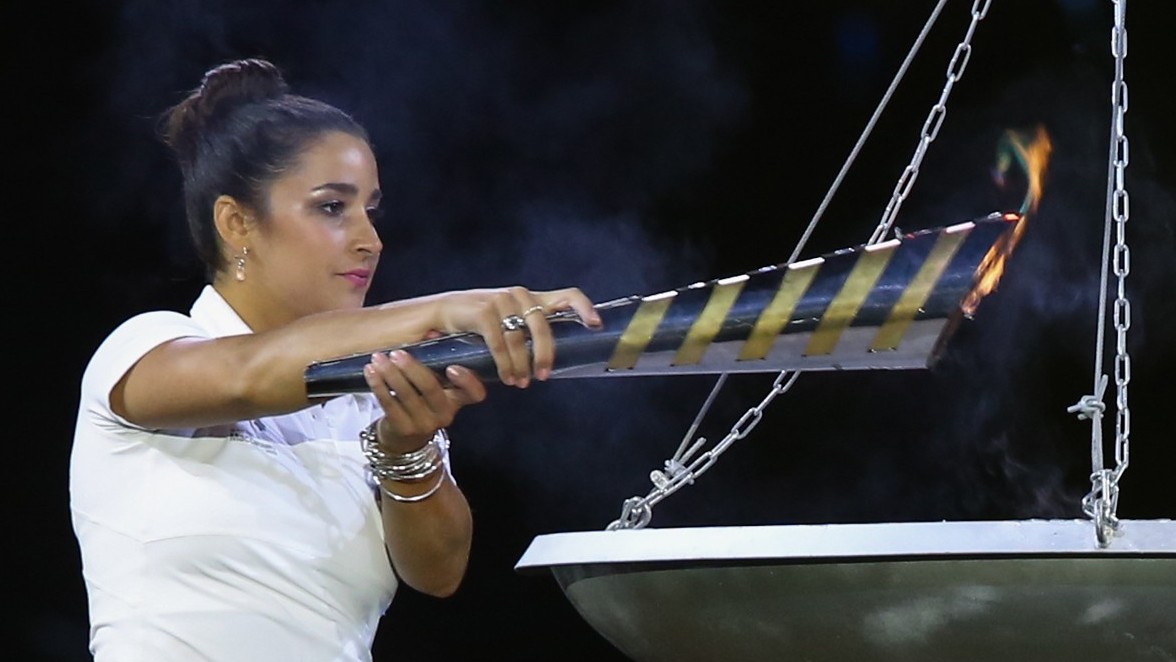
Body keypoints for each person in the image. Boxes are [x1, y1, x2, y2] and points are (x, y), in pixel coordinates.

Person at [68, 57, 602, 661]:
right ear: (237, 222)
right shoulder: (145, 348)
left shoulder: (371, 392)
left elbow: (439, 573)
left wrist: (407, 451)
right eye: (331, 207)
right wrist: (442, 310)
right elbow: (249, 375)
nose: (369, 238)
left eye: (370, 210)